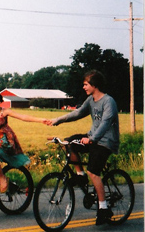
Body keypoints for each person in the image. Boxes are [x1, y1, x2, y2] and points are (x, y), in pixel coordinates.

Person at [50, 70, 119, 226]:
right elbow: (77, 113)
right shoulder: (91, 100)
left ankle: (103, 208)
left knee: (93, 172)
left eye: (86, 84)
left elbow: (105, 123)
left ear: (94, 85)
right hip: (92, 139)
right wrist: (58, 120)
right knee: (70, 143)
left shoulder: (109, 102)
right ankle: (80, 175)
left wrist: (92, 139)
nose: (83, 87)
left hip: (106, 141)